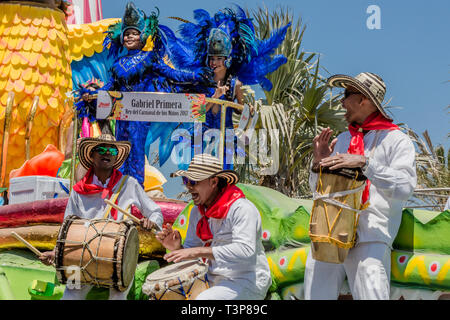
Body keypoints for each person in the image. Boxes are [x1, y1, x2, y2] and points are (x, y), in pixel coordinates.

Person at [304, 72, 417, 300]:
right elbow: (318, 190)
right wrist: (319, 164)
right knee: (314, 284)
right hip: (330, 232)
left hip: (370, 235)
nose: (342, 102)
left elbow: (405, 187)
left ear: (363, 99)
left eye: (346, 95)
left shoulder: (397, 141)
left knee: (370, 285)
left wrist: (366, 163)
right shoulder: (343, 139)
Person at [39, 133, 163, 300]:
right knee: (70, 294)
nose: (107, 153)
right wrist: (55, 252)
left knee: (118, 297)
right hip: (81, 257)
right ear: (92, 155)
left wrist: (151, 222)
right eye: (102, 149)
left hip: (120, 258)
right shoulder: (78, 191)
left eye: (112, 150)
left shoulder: (129, 184)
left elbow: (155, 212)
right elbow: (67, 229)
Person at [102, 2, 213, 186]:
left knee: (136, 152)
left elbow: (171, 73)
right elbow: (110, 86)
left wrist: (194, 75)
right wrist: (94, 92)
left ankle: (135, 195)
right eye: (127, 33)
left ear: (142, 36)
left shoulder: (149, 57)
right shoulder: (118, 63)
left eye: (134, 33)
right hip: (122, 116)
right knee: (120, 153)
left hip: (141, 114)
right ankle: (117, 194)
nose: (129, 37)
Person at [155, 153, 271, 300]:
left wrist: (196, 251)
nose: (189, 187)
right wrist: (177, 248)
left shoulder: (242, 208)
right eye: (186, 180)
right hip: (211, 279)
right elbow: (191, 257)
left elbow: (245, 251)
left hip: (246, 280)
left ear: (214, 182)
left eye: (193, 181)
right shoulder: (197, 212)